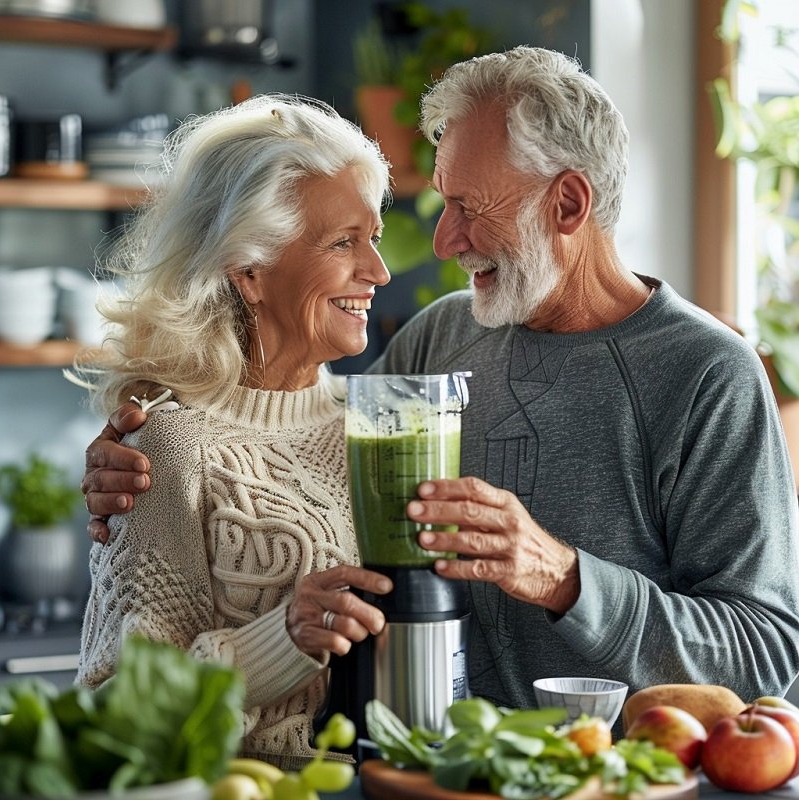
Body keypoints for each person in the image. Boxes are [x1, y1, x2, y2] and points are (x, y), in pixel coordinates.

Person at [82, 48, 799, 718]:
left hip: (612, 782)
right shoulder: (444, 336)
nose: (442, 243)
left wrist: (563, 577)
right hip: (429, 779)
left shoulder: (707, 375)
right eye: (442, 202)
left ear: (569, 205)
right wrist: (142, 449)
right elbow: (287, 443)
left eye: (469, 207)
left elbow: (767, 657)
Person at [71, 93, 396, 769]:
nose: (378, 272)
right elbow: (121, 707)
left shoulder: (378, 425)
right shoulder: (166, 447)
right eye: (345, 242)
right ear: (249, 270)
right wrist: (284, 638)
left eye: (375, 238)